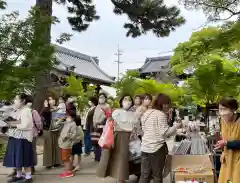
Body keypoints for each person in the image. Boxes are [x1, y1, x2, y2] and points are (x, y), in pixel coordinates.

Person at [96, 94, 140, 183]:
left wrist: (134, 132)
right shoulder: (116, 112)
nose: (128, 101)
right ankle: (120, 179)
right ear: (121, 101)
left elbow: (136, 126)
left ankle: (128, 176)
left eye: (129, 99)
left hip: (132, 137)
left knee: (133, 158)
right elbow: (111, 125)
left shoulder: (134, 113)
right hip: (119, 136)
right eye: (125, 99)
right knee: (121, 158)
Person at [139, 93, 182, 183]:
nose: (167, 106)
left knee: (145, 175)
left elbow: (143, 129)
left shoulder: (147, 113)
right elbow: (165, 133)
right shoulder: (161, 114)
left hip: (145, 148)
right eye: (166, 103)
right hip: (157, 149)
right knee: (157, 176)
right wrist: (176, 126)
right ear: (161, 103)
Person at [3, 94, 36, 183]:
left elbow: (26, 125)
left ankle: (28, 177)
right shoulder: (17, 110)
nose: (14, 101)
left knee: (25, 157)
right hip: (15, 137)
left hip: (23, 138)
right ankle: (19, 175)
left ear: (23, 101)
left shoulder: (26, 111)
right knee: (17, 157)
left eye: (16, 99)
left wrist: (12, 124)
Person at [214, 97, 240, 183]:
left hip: (238, 160)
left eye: (224, 109)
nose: (222, 113)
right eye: (220, 109)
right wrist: (221, 144)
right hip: (226, 159)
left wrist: (226, 143)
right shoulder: (221, 120)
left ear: (233, 109)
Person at [58, 105, 77, 178]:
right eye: (67, 116)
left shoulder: (73, 124)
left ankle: (69, 172)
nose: (67, 118)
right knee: (64, 159)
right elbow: (57, 123)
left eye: (68, 116)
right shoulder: (67, 123)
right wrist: (62, 119)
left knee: (66, 158)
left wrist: (67, 135)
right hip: (63, 143)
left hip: (67, 144)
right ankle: (67, 171)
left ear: (72, 117)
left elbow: (73, 135)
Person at [43, 97, 61, 169]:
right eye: (49, 99)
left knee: (56, 145)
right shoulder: (45, 109)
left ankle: (57, 162)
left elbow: (61, 119)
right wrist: (46, 106)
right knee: (48, 145)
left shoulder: (58, 108)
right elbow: (46, 117)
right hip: (48, 129)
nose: (51, 101)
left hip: (57, 129)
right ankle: (49, 163)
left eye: (52, 99)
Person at [92, 93, 110, 161]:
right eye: (100, 97)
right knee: (96, 142)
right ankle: (98, 157)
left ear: (105, 98)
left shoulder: (107, 106)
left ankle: (103, 157)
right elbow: (94, 116)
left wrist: (100, 121)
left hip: (103, 127)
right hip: (96, 127)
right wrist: (94, 123)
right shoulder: (97, 106)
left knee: (103, 142)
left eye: (103, 97)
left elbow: (108, 116)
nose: (101, 99)